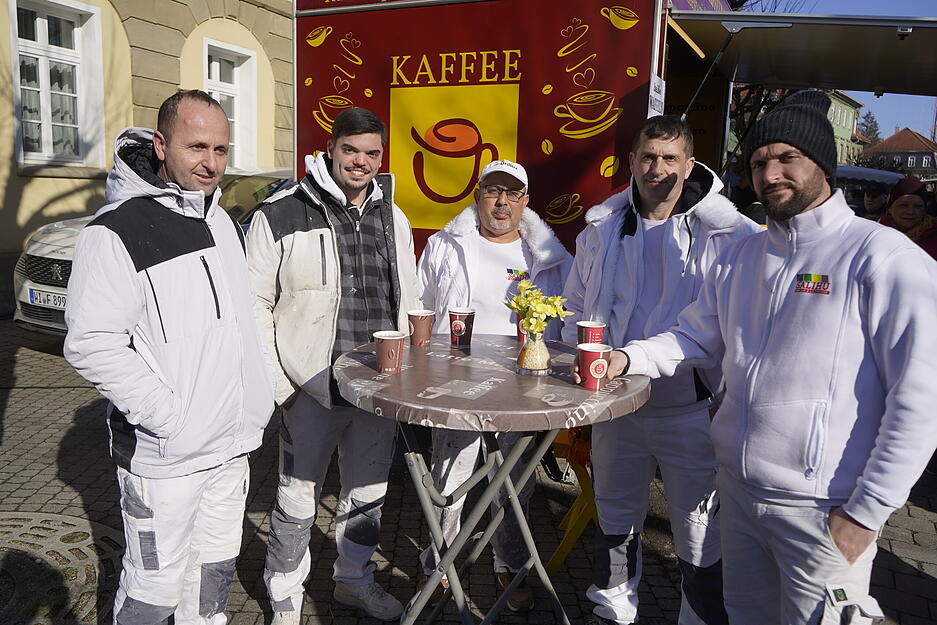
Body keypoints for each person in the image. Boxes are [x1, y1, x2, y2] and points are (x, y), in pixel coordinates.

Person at [604, 91, 937, 624]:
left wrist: (867, 512)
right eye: (759, 162)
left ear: (822, 165)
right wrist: (626, 358)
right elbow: (694, 337)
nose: (771, 172)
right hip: (737, 494)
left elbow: (921, 402)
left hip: (823, 511)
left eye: (787, 159)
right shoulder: (744, 253)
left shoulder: (883, 258)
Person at [64, 90, 276, 624]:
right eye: (197, 147)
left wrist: (258, 398)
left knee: (213, 576)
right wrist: (169, 417)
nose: (211, 163)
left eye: (222, 150)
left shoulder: (220, 220)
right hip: (167, 459)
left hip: (231, 449)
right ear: (161, 145)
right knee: (154, 591)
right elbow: (90, 342)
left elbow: (237, 324)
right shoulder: (115, 233)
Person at [563, 115, 759, 625]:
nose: (658, 168)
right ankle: (613, 609)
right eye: (648, 157)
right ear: (631, 161)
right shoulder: (601, 229)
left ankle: (697, 617)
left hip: (687, 408)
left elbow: (713, 330)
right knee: (615, 515)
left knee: (697, 530)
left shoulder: (728, 235)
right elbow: (575, 304)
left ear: (690, 164)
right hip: (614, 402)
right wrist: (568, 351)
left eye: (670, 158)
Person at [245, 107, 421, 624]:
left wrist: (408, 372)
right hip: (313, 387)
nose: (360, 162)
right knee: (297, 498)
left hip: (378, 386)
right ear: (330, 147)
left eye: (371, 153)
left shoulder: (393, 215)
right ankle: (284, 598)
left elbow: (407, 296)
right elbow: (254, 302)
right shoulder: (281, 210)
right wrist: (283, 386)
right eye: (351, 150)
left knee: (367, 494)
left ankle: (353, 582)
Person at [416, 159, 572, 612]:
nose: (501, 202)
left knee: (515, 482)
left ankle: (512, 562)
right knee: (449, 475)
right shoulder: (446, 245)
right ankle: (441, 560)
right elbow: (421, 305)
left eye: (512, 194)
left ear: (525, 202)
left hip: (522, 384)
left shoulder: (548, 257)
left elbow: (567, 318)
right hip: (453, 380)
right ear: (478, 195)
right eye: (492, 192)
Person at [878, 175, 937, 259]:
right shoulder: (876, 234)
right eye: (903, 205)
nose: (910, 212)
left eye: (917, 206)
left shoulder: (934, 237)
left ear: (924, 210)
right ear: (890, 209)